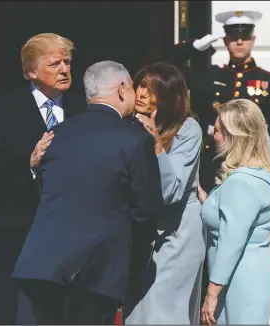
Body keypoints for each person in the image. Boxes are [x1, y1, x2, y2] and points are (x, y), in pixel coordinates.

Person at [11, 61, 164, 325]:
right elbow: (146, 211)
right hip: (96, 271)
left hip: (42, 263)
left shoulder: (57, 133)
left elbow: (47, 191)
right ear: (121, 89)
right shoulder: (135, 139)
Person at [0, 33, 86, 324]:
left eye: (67, 62)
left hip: (69, 233)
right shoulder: (0, 108)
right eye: (54, 64)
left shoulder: (83, 109)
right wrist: (29, 163)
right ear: (31, 71)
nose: (64, 69)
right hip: (16, 229)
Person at [166, 10, 270, 194]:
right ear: (225, 40)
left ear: (253, 39)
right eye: (233, 36)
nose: (239, 42)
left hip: (251, 162)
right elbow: (167, 66)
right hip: (211, 161)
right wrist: (194, 47)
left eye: (245, 36)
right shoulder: (209, 76)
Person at [124, 62, 205, 324]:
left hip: (177, 232)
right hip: (141, 234)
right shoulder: (129, 125)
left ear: (169, 98)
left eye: (153, 90)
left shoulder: (187, 128)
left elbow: (172, 190)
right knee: (137, 312)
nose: (143, 93)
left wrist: (157, 146)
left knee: (165, 310)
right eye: (142, 85)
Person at [198, 99, 270, 325]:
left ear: (233, 136)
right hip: (251, 272)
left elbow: (232, 239)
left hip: (241, 277)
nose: (214, 136)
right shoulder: (261, 173)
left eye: (217, 131)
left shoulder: (242, 181)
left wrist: (212, 292)